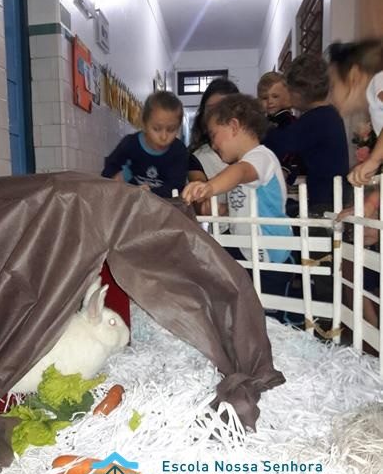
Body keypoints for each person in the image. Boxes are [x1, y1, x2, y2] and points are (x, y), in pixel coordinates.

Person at [182, 94, 293, 309]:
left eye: (214, 135)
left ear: (234, 126)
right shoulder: (245, 164)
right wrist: (221, 210)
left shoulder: (261, 157)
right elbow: (243, 204)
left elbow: (240, 172)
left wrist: (209, 187)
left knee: (269, 312)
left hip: (269, 254)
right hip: (248, 250)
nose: (213, 144)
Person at [263, 54, 349, 213]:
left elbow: (279, 143)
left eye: (288, 90)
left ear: (298, 93)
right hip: (330, 196)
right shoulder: (328, 115)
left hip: (327, 201)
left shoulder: (316, 119)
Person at [102, 90, 189, 198]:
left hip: (164, 204)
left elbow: (177, 186)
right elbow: (109, 169)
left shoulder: (179, 151)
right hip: (129, 200)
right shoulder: (130, 144)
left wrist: (152, 192)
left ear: (178, 127)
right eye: (156, 129)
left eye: (171, 130)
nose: (164, 137)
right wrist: (117, 177)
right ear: (144, 123)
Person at [328, 38, 383, 186]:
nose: (330, 96)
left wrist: (374, 159)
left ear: (354, 76)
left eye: (333, 86)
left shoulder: (378, 81)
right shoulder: (375, 104)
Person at [189, 77, 239, 221]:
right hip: (219, 231)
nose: (216, 115)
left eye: (224, 109)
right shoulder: (198, 157)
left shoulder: (253, 152)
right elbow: (201, 204)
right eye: (211, 109)